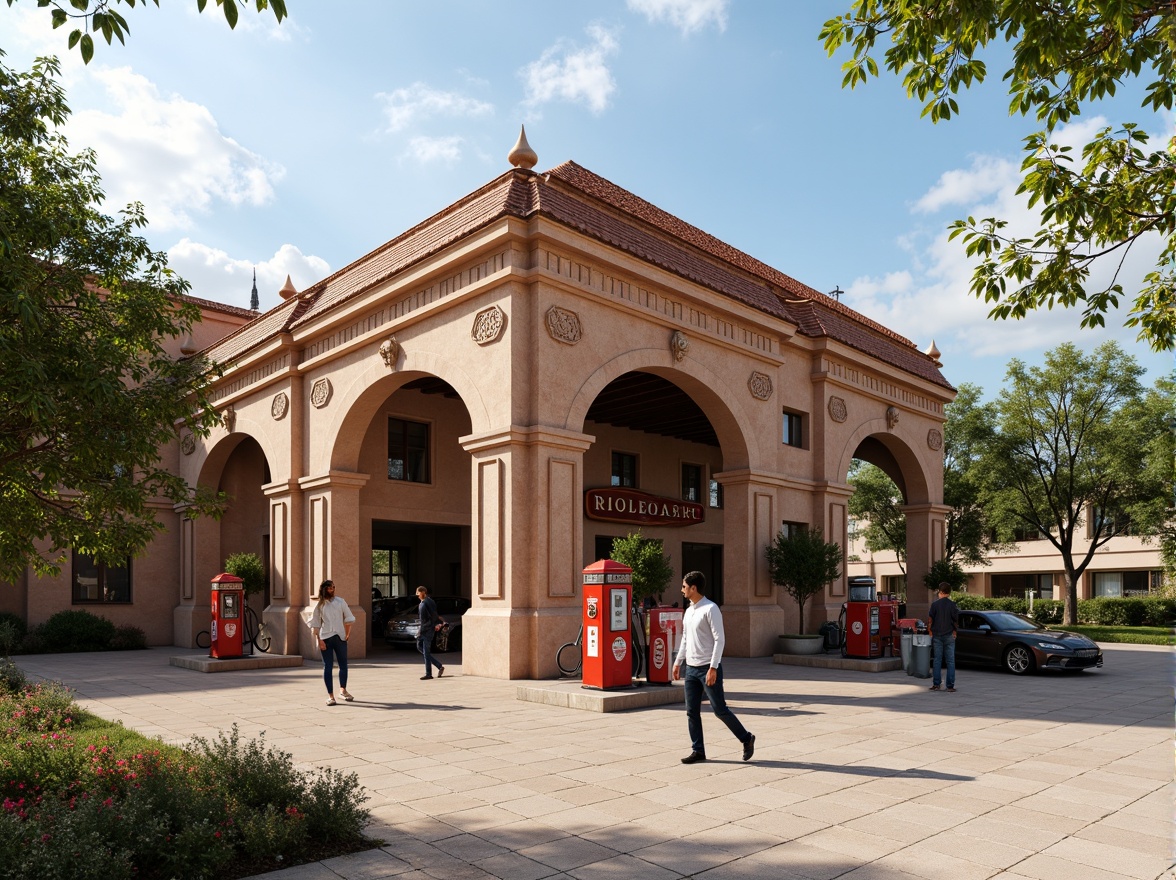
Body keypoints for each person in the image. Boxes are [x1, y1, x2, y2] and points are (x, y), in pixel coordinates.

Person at [672, 571, 755, 764]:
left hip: (707, 669)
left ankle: (746, 738)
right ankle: (698, 750)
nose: (682, 590)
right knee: (691, 711)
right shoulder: (689, 611)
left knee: (720, 710)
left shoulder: (710, 609)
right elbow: (685, 639)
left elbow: (720, 639)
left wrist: (713, 667)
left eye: (684, 586)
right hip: (691, 670)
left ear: (694, 588)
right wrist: (678, 662)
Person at [308, 579, 355, 705]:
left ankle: (343, 690)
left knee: (343, 665)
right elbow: (315, 624)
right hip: (326, 638)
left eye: (333, 587)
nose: (332, 590)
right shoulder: (319, 605)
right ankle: (331, 696)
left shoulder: (341, 602)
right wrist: (319, 641)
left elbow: (349, 617)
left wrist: (347, 634)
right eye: (329, 588)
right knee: (328, 667)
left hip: (340, 637)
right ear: (324, 589)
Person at [927, 582, 959, 692]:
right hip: (949, 634)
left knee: (937, 660)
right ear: (949, 593)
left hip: (937, 635)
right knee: (950, 661)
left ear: (940, 592)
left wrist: (930, 631)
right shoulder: (953, 605)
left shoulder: (935, 605)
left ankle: (936, 684)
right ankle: (950, 685)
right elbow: (955, 621)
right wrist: (954, 632)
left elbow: (930, 619)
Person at [415, 585, 445, 680]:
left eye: (418, 593)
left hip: (428, 630)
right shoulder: (422, 602)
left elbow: (433, 615)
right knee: (420, 647)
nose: (417, 595)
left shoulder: (428, 602)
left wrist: (436, 624)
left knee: (426, 651)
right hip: (423, 629)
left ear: (423, 592)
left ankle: (429, 673)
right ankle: (438, 665)